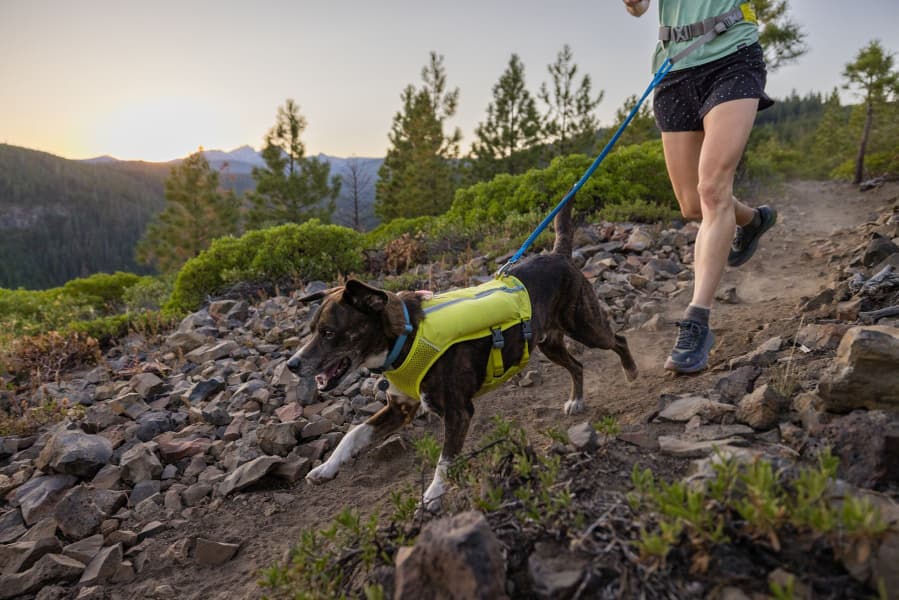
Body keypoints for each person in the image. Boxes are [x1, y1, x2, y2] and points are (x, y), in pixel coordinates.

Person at [623, 0, 778, 373]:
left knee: (712, 189)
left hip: (733, 56)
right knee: (693, 205)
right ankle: (752, 221)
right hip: (675, 68)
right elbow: (639, 8)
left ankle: (697, 321)